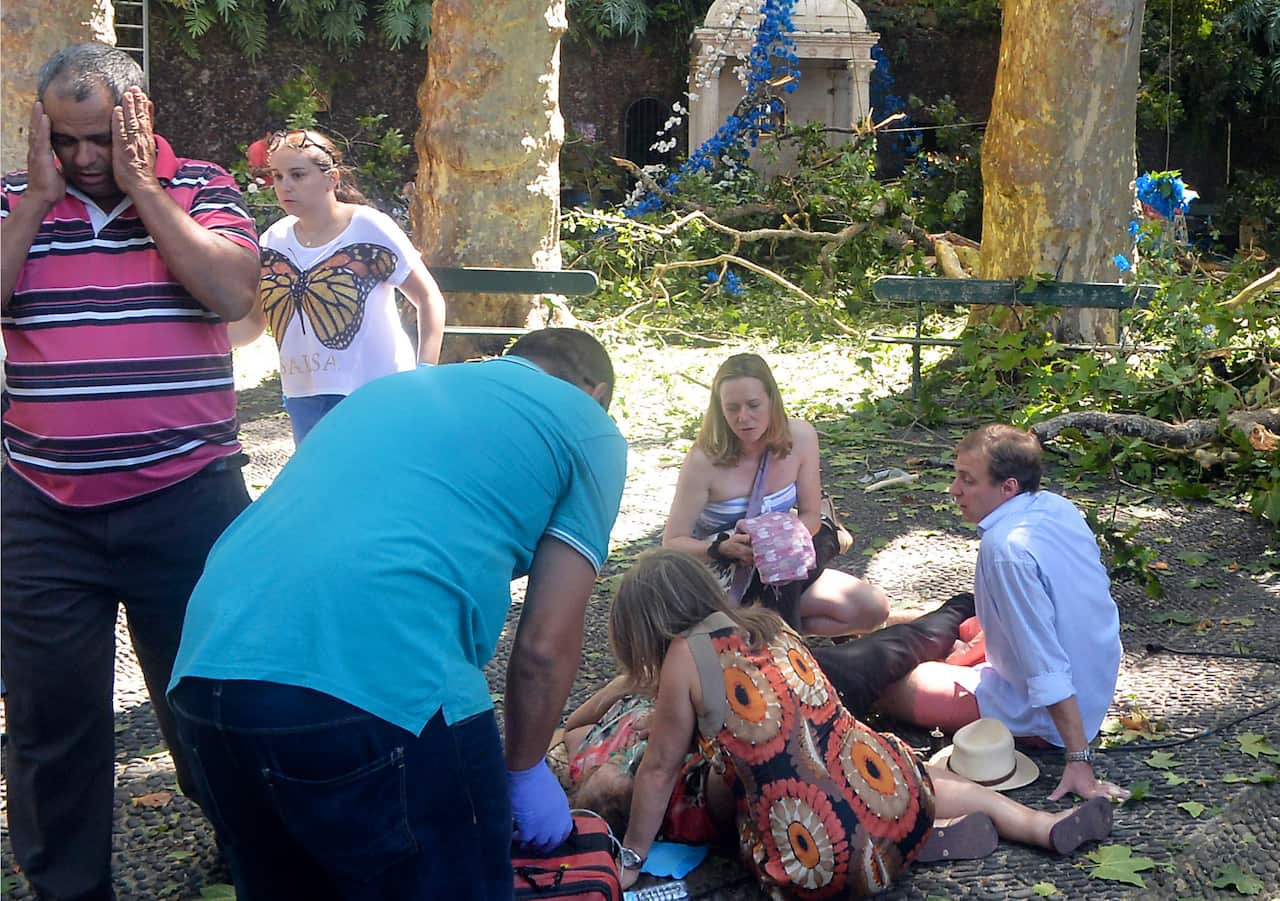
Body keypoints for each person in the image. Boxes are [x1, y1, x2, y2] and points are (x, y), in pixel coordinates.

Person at [167, 328, 627, 901]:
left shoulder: (397, 390)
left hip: (207, 667)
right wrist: (526, 770)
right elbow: (543, 644)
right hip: (378, 682)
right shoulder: (588, 425)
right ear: (597, 392)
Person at [0, 43, 259, 901]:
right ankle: (69, 888)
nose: (81, 160)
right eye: (64, 140)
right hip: (42, 506)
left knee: (212, 695)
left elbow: (232, 294)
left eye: (100, 140)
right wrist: (36, 202)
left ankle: (250, 847)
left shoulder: (205, 188)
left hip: (189, 498)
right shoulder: (14, 200)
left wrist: (148, 190)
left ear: (139, 117)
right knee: (49, 718)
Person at [612, 550, 1115, 897]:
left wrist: (632, 859)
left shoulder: (685, 654)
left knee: (736, 790)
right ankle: (1036, 825)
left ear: (650, 625)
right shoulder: (769, 624)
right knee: (905, 768)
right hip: (886, 794)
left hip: (813, 865)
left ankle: (893, 848)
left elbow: (659, 770)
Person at [875, 424, 1128, 803]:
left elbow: (1046, 665)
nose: (953, 490)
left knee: (889, 686)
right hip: (1094, 683)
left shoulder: (1006, 548)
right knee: (963, 627)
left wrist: (1078, 759)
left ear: (1007, 488)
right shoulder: (1056, 506)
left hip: (1049, 714)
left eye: (967, 480)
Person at [228, 128, 446, 443]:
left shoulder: (369, 226)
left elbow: (428, 298)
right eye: (277, 176)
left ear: (332, 178)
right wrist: (200, 340)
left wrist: (425, 371)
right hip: (303, 397)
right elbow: (252, 324)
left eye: (297, 174)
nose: (285, 185)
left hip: (376, 392)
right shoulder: (272, 241)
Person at [664, 353, 888, 636]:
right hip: (722, 578)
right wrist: (721, 549)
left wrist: (776, 539)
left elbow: (810, 515)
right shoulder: (703, 460)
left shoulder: (801, 437)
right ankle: (774, 638)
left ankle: (779, 635)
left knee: (871, 608)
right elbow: (672, 543)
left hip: (781, 568)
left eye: (753, 405)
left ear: (772, 400)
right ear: (719, 410)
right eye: (731, 408)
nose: (743, 418)